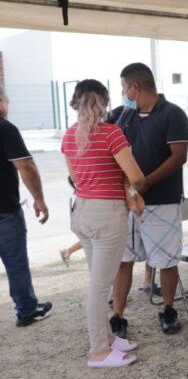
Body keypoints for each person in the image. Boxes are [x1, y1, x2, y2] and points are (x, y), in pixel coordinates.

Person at [62, 79, 146, 368]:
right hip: (107, 213)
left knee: (98, 280)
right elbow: (136, 176)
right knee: (99, 288)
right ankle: (98, 350)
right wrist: (133, 190)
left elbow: (74, 178)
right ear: (105, 102)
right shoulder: (112, 134)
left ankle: (107, 339)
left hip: (81, 210)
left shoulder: (69, 135)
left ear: (75, 103)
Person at [110, 63, 188, 338]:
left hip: (162, 200)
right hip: (126, 202)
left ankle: (168, 309)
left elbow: (178, 156)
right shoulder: (122, 115)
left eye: (124, 88)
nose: (123, 94)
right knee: (123, 260)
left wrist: (146, 183)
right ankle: (118, 316)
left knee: (166, 260)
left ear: (135, 88)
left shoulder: (173, 114)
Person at [0, 85, 53, 327]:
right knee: (16, 263)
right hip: (5, 210)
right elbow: (26, 166)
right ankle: (27, 309)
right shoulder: (5, 128)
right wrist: (39, 199)